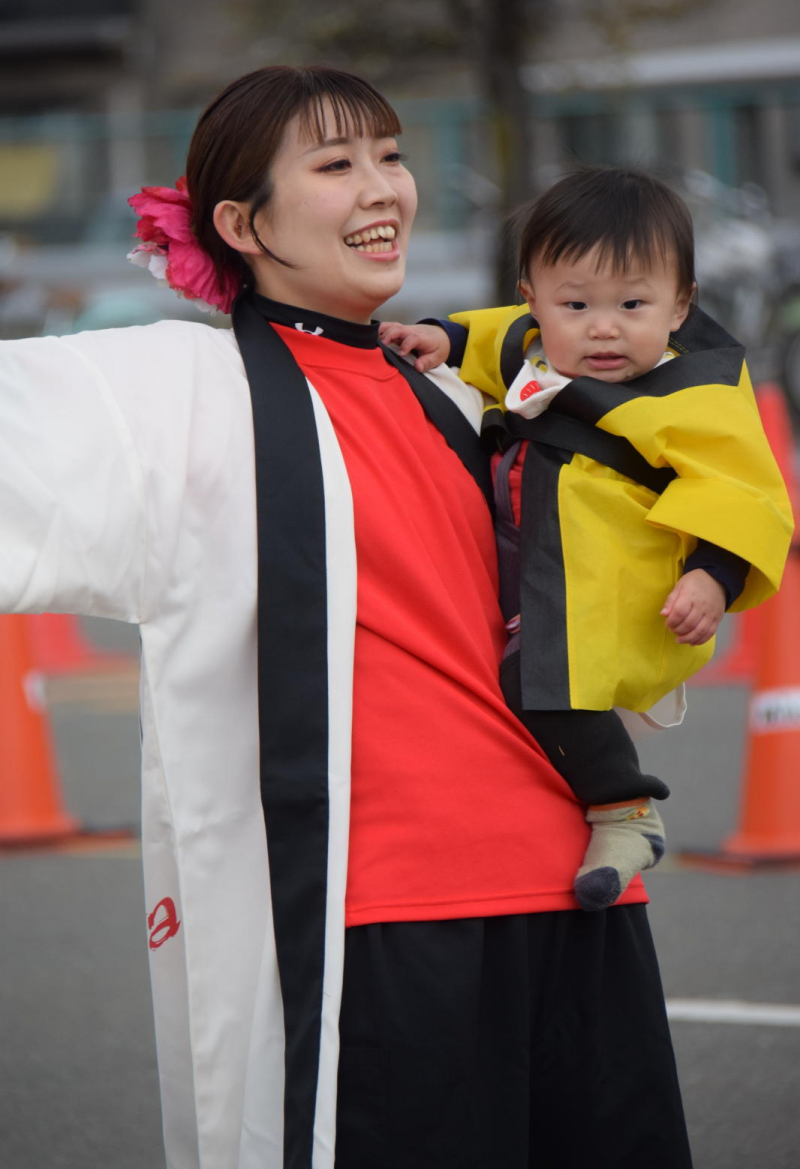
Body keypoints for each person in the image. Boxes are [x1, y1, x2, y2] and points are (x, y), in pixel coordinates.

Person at [1, 72, 697, 1169]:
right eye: (334, 166)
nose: (382, 189)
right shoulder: (176, 390)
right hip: (380, 918)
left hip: (580, 884)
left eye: (389, 153)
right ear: (240, 224)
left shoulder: (461, 389)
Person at [380, 166, 793, 913]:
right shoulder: (527, 348)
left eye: (633, 303)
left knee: (535, 685)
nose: (603, 327)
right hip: (543, 573)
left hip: (623, 593)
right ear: (532, 300)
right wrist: (436, 334)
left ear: (680, 306)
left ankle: (625, 809)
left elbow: (742, 492)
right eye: (575, 304)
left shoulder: (694, 395)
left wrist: (712, 575)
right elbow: (482, 334)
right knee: (501, 683)